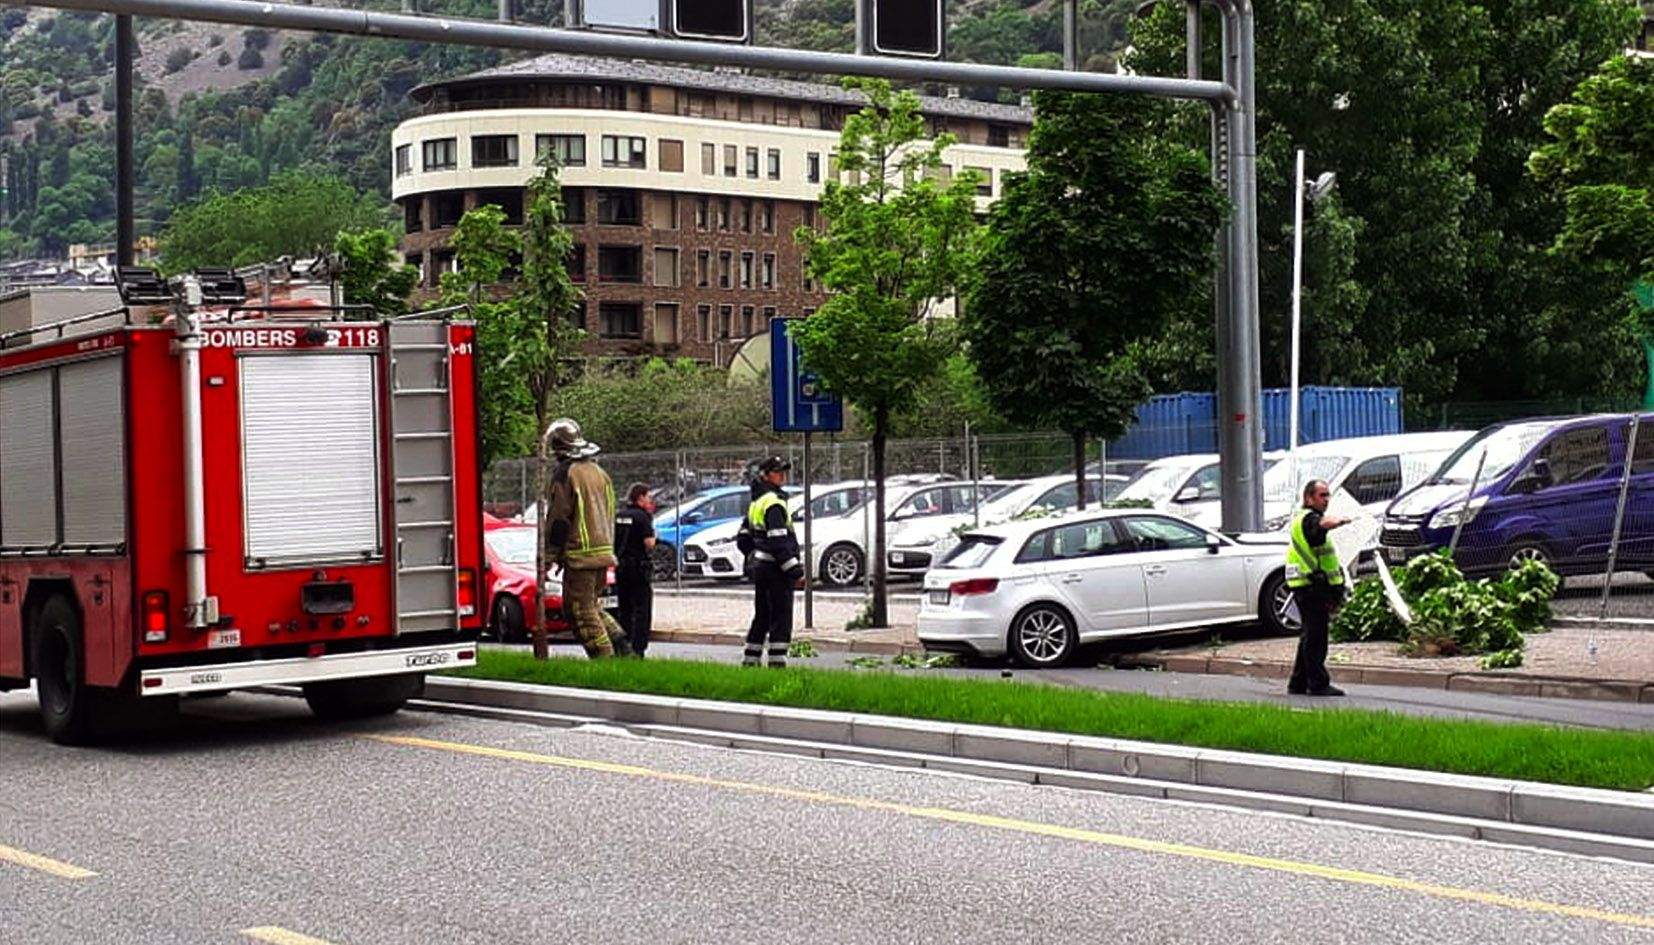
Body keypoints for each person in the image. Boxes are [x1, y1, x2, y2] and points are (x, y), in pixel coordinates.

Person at [543, 418, 630, 659]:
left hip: (581, 555)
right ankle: (621, 645)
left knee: (579, 611)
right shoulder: (599, 472)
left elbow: (559, 519)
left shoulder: (565, 473)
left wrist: (549, 556)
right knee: (592, 606)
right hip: (602, 552)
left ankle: (604, 657)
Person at [1285, 478, 1350, 696]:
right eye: (1322, 495)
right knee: (1316, 637)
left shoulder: (1303, 519)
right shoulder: (1309, 520)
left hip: (1308, 585)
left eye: (1328, 495)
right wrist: (1337, 521)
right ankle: (1318, 683)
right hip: (1311, 586)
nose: (1326, 499)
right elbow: (1318, 526)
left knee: (1309, 635)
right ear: (1308, 498)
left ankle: (1298, 682)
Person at [737, 456, 804, 668]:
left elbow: (743, 539)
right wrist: (795, 571)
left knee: (763, 614)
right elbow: (778, 541)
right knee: (781, 616)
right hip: (776, 571)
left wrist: (755, 557)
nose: (782, 475)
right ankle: (777, 664)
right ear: (765, 475)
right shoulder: (773, 503)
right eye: (777, 472)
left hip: (761, 569)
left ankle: (751, 659)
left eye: (783, 471)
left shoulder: (757, 501)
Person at [613, 482, 657, 658]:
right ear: (640, 498)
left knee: (624, 609)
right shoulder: (642, 517)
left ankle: (623, 645)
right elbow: (649, 543)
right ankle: (638, 649)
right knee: (642, 610)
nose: (650, 501)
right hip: (638, 568)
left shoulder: (619, 516)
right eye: (648, 497)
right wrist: (656, 537)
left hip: (621, 567)